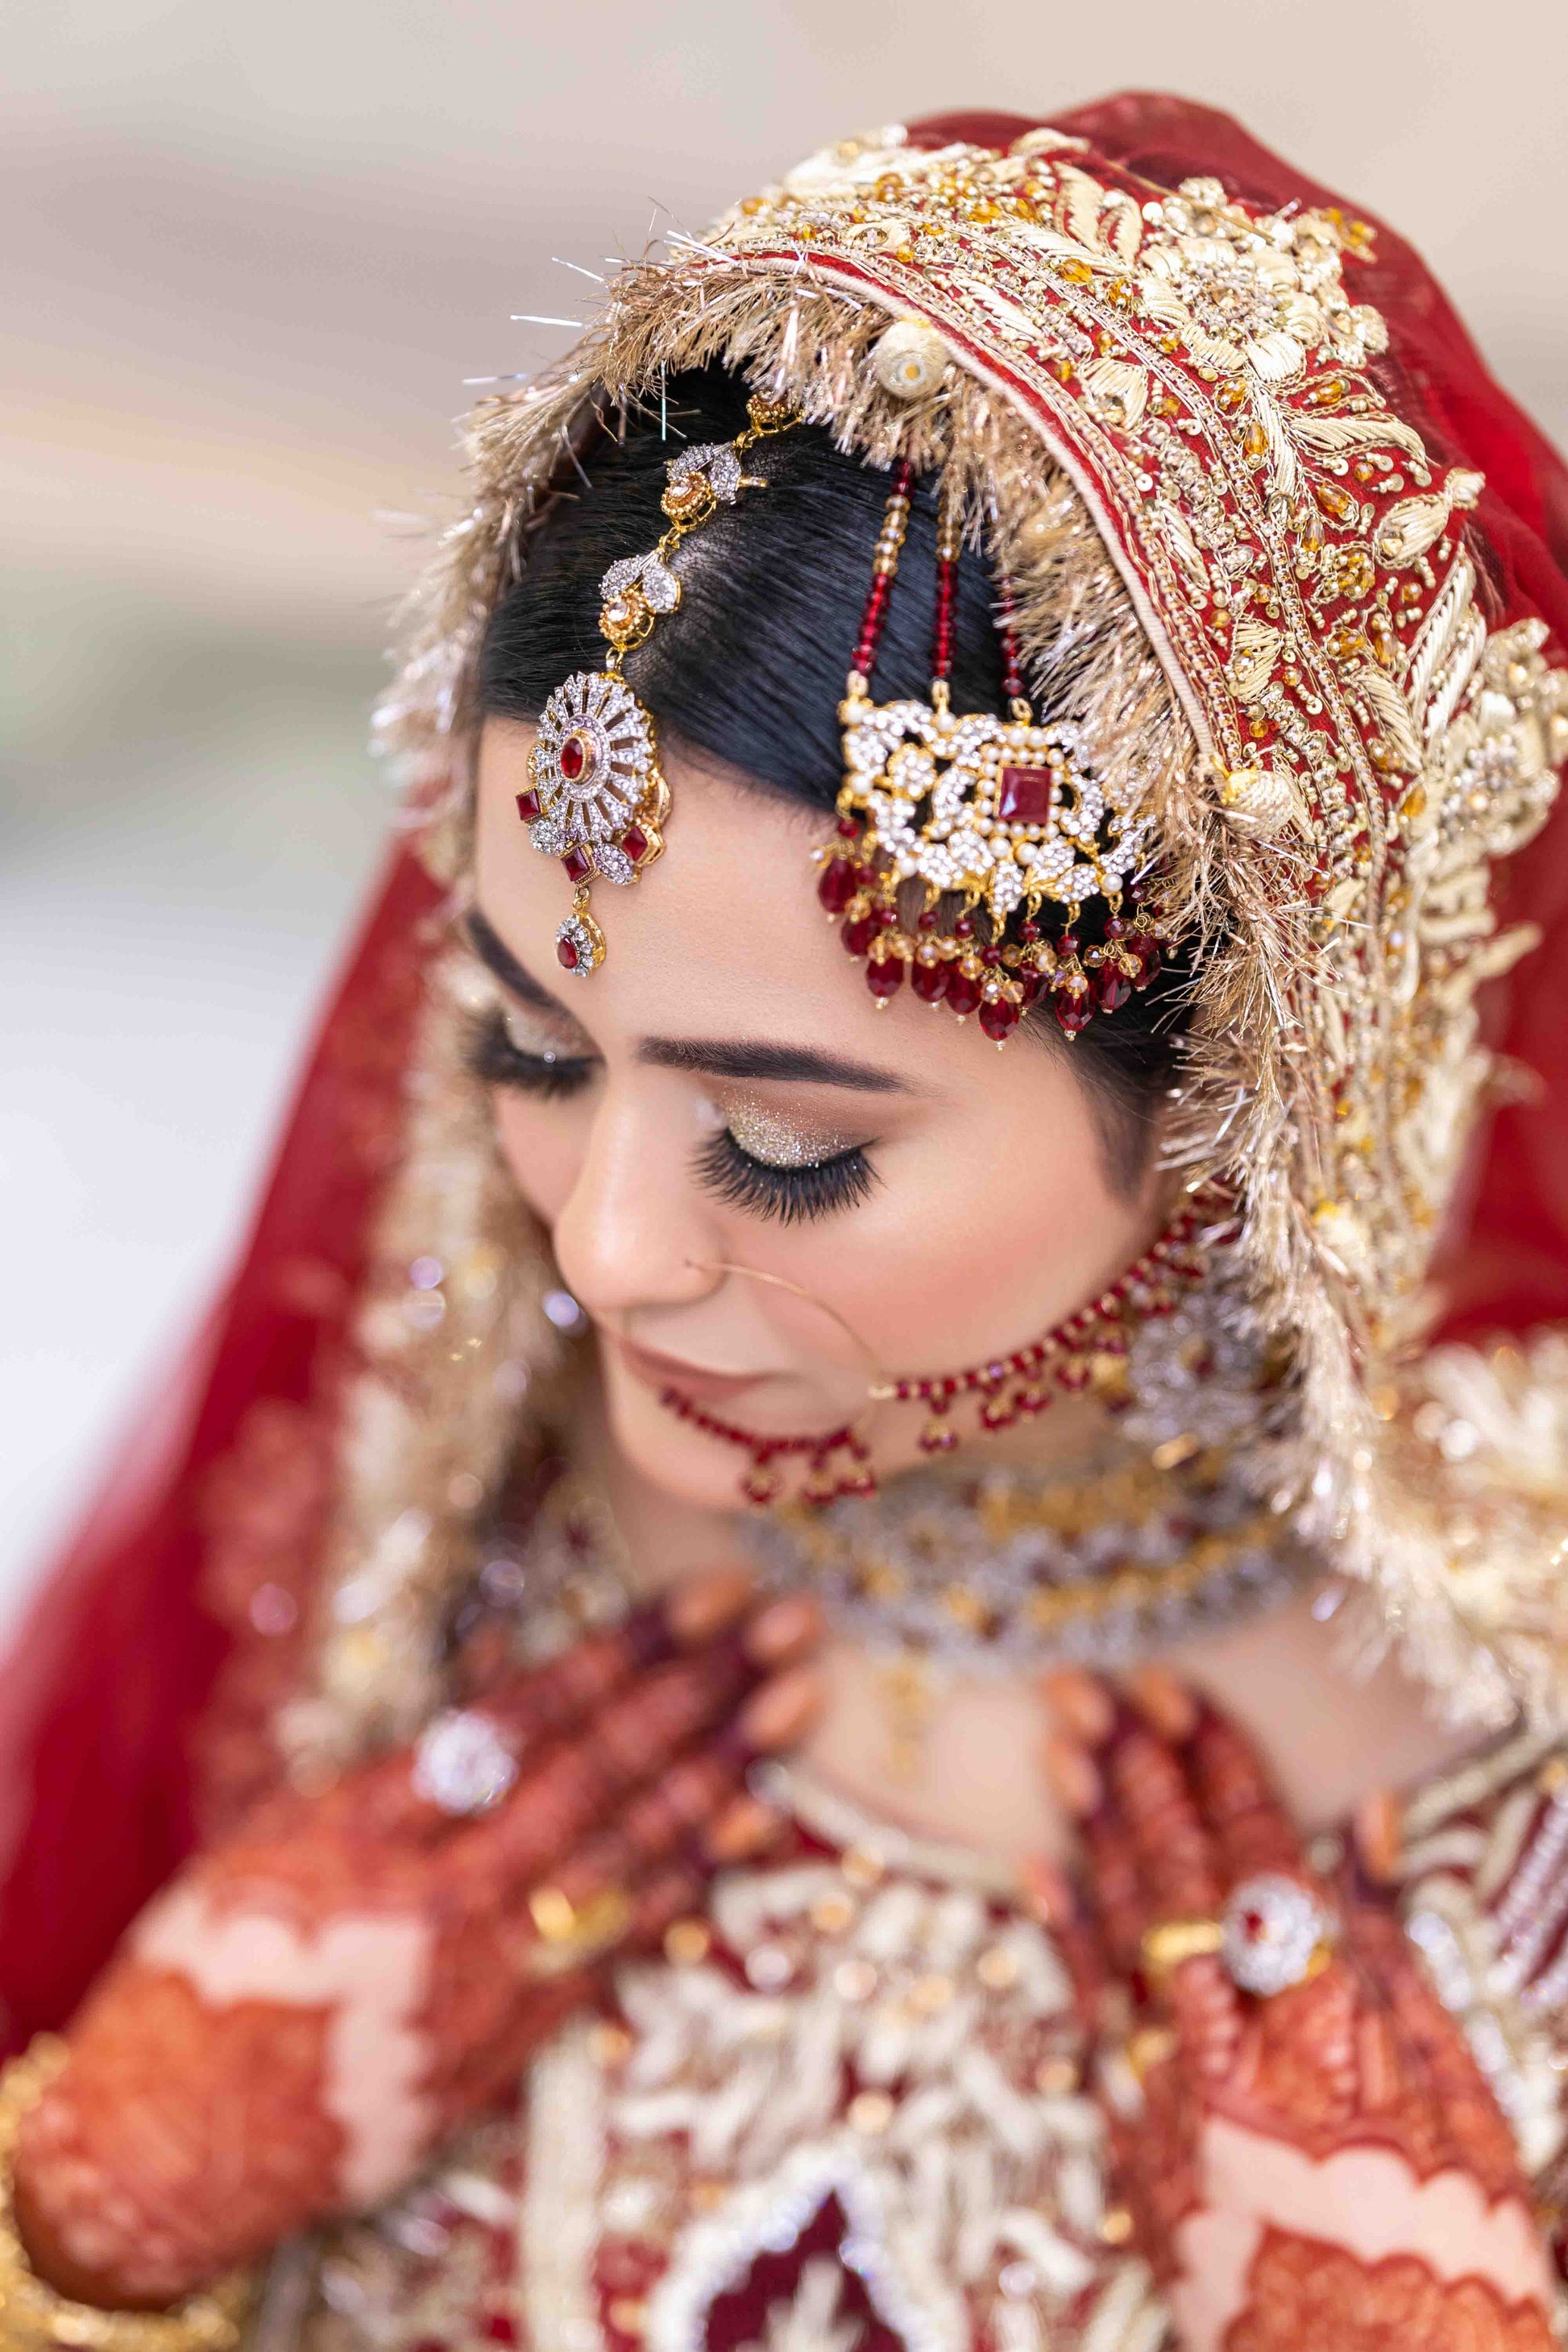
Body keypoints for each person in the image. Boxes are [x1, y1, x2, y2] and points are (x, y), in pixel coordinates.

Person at [2, 92, 1568, 2352]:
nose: (602, 1250)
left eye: (792, 1146)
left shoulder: (1501, 1742)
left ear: (1263, 1087)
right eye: (536, 1048)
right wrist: (92, 2229)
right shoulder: (425, 1512)